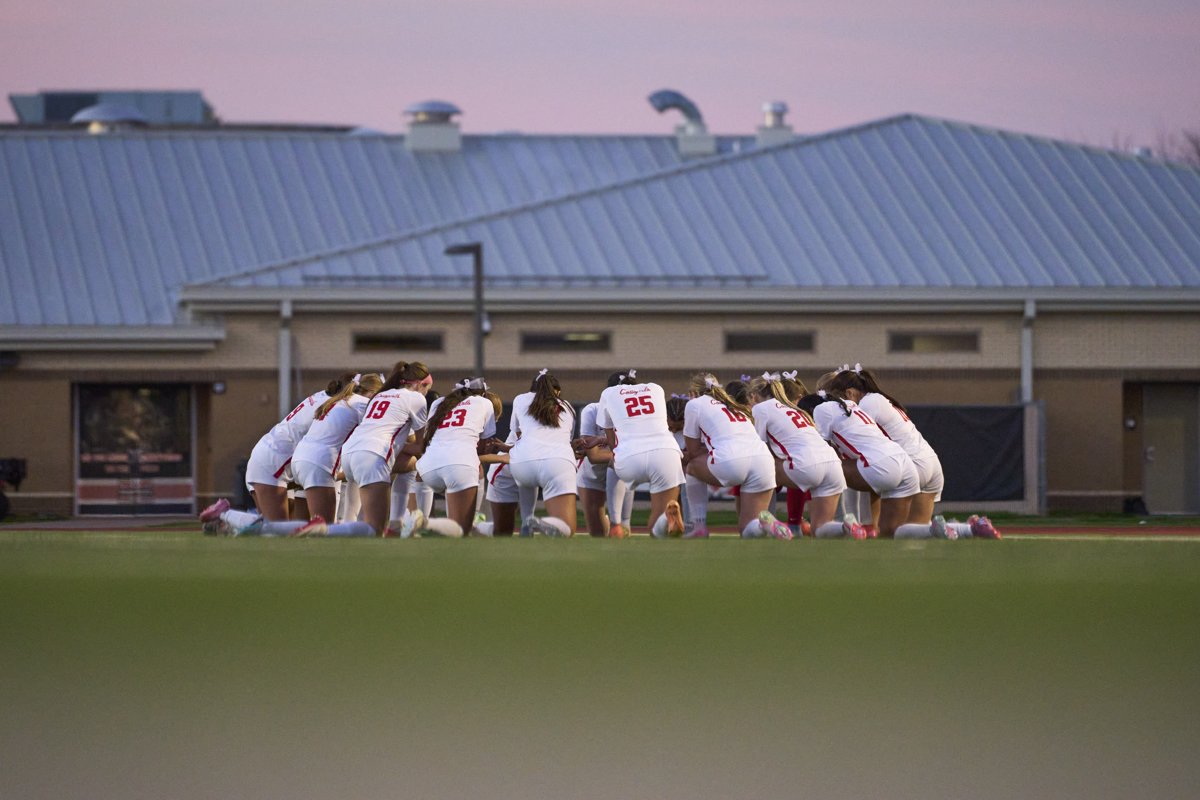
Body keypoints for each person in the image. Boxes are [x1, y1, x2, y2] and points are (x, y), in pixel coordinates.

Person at [816, 364, 999, 539]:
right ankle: (971, 528)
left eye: (839, 399)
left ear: (849, 393)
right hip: (931, 464)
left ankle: (853, 524)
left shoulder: (864, 406)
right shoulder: (879, 399)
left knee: (890, 531)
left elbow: (866, 450)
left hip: (908, 465)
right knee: (918, 532)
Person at [681, 372, 791, 540]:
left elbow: (693, 451)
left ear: (693, 393)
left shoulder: (695, 404)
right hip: (763, 460)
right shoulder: (733, 404)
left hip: (731, 460)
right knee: (747, 530)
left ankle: (699, 526)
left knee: (692, 466)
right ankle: (766, 524)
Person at [797, 390, 920, 538]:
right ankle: (933, 530)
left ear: (810, 410)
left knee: (822, 467)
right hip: (904, 463)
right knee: (891, 531)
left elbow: (820, 450)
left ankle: (840, 522)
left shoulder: (820, 410)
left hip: (880, 465)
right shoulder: (849, 405)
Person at [746, 373, 853, 538]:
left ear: (753, 396)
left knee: (759, 465)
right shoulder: (795, 408)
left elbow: (760, 448)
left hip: (805, 466)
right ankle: (845, 527)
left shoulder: (761, 408)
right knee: (820, 529)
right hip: (833, 465)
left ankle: (766, 519)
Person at [238, 373, 352, 521]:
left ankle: (227, 517)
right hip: (275, 463)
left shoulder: (322, 396)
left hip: (279, 460)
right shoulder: (336, 407)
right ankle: (225, 515)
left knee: (292, 529)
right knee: (278, 531)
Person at [338, 361, 433, 536]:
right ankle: (327, 530)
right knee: (376, 529)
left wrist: (396, 447)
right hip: (372, 456)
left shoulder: (383, 394)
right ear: (421, 384)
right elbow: (419, 447)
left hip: (349, 453)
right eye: (427, 388)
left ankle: (391, 523)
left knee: (365, 521)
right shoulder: (417, 398)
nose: (426, 393)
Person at [593, 370, 686, 538]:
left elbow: (613, 441)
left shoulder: (609, 393)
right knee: (657, 524)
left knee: (613, 461)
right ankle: (665, 520)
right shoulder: (655, 388)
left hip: (630, 458)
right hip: (666, 453)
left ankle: (616, 523)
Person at [289, 372, 384, 525]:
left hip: (301, 459)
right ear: (373, 393)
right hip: (319, 463)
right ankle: (246, 521)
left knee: (307, 526)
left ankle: (257, 524)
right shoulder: (362, 404)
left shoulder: (339, 400)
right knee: (325, 529)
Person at [410, 378, 499, 537]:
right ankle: (429, 522)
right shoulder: (483, 403)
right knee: (462, 531)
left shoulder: (439, 403)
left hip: (426, 469)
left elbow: (428, 437)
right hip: (459, 465)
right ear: (483, 393)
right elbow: (483, 446)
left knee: (457, 483)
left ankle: (420, 517)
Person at [508, 369, 578, 536]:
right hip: (558, 463)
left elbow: (518, 434)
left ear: (532, 389)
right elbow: (566, 440)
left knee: (527, 479)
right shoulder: (567, 407)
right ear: (558, 392)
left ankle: (527, 521)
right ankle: (541, 522)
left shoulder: (520, 399)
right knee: (567, 529)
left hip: (522, 463)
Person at [574, 371, 637, 538]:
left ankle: (621, 522)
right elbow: (593, 457)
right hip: (592, 476)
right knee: (597, 534)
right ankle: (613, 522)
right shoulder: (593, 411)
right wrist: (623, 453)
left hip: (623, 475)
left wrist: (610, 448)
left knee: (624, 530)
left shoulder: (636, 413)